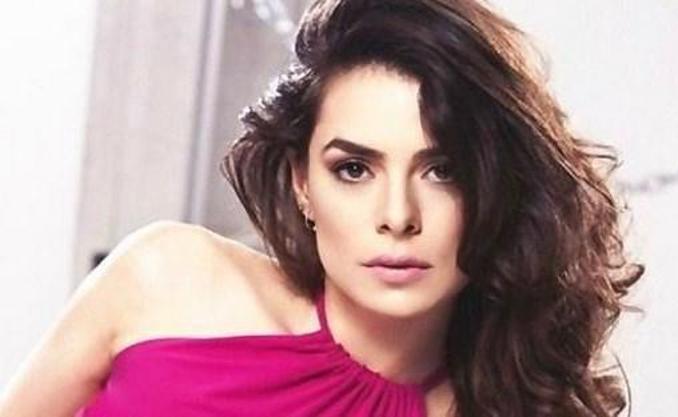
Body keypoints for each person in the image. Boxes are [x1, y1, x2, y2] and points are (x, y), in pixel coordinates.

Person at [0, 0, 643, 416]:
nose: (398, 215)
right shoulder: (165, 279)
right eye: (354, 169)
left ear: (496, 187)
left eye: (443, 171)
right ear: (303, 184)